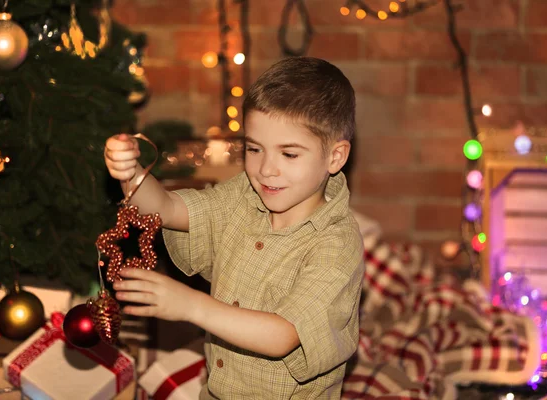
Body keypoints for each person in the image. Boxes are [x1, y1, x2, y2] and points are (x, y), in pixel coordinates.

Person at [105, 56, 364, 399]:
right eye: (255, 149)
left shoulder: (337, 245)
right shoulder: (242, 194)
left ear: (335, 157)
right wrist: (131, 173)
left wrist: (191, 305)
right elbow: (166, 209)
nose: (266, 169)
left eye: (289, 154)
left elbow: (284, 335)